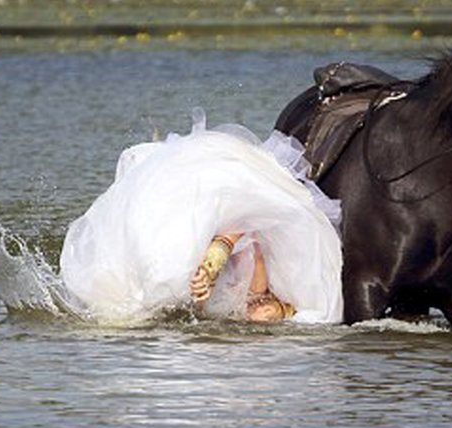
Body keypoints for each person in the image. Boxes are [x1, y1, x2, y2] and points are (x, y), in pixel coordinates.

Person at [58, 112, 343, 325]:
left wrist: (203, 292)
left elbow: (199, 306)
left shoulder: (232, 305)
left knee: (153, 282)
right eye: (268, 311)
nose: (259, 312)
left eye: (258, 313)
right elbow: (246, 219)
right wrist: (215, 259)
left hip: (200, 247)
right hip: (222, 187)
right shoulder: (271, 280)